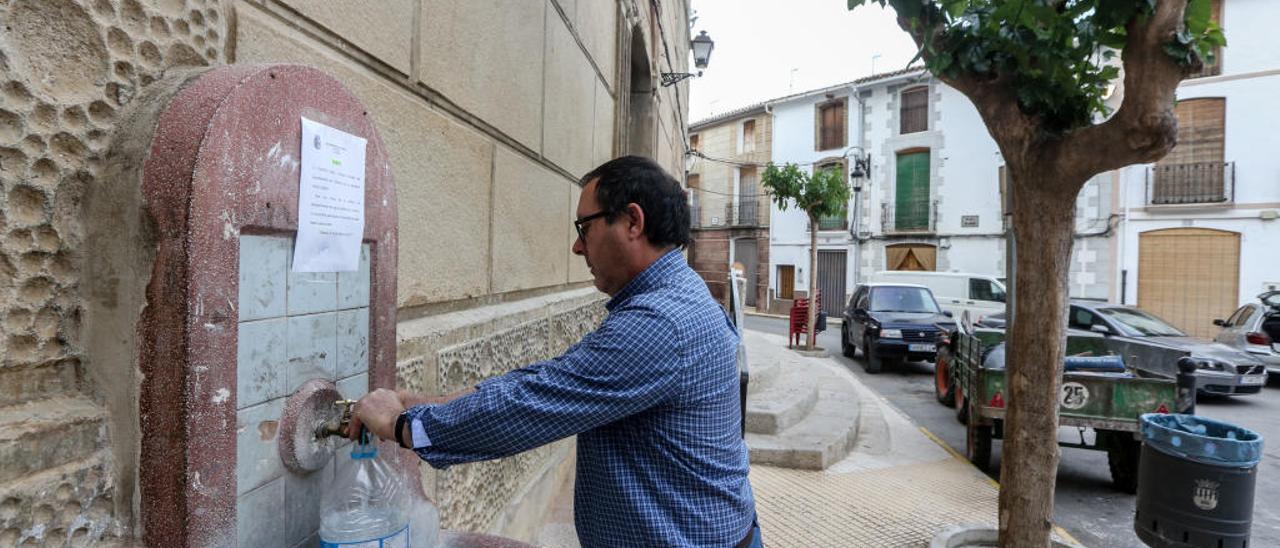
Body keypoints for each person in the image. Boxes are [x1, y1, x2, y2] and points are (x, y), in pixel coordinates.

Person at [350, 156, 761, 547]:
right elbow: (550, 380)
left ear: (633, 221)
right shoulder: (674, 297)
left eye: (585, 227)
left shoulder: (659, 324)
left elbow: (527, 406)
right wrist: (420, 402)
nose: (577, 247)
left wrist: (401, 425)